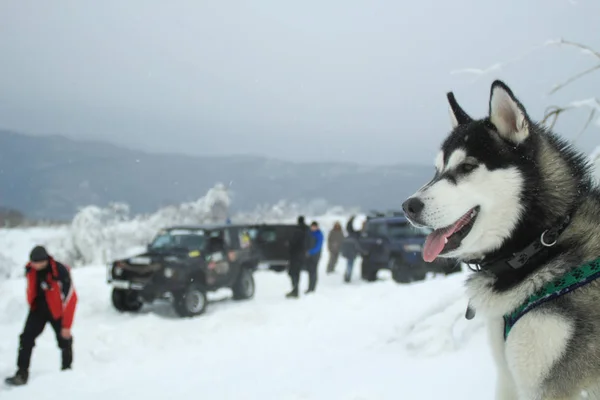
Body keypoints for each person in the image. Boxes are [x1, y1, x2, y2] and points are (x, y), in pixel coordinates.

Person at [5, 246, 78, 386]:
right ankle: (21, 373)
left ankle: (67, 374)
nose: (34, 265)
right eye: (32, 262)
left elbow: (71, 298)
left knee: (65, 340)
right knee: (26, 339)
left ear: (44, 261)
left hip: (57, 311)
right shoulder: (30, 269)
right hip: (37, 309)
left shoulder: (60, 271)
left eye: (37, 263)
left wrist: (67, 325)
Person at [286, 216, 310, 298]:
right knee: (296, 273)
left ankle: (295, 290)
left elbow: (293, 243)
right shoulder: (307, 231)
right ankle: (295, 290)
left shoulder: (298, 231)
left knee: (293, 273)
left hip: (295, 255)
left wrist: (289, 246)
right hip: (302, 255)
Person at [341, 216, 367, 283]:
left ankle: (347, 275)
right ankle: (348, 276)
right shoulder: (357, 236)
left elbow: (348, 227)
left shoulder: (350, 235)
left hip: (348, 251)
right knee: (350, 264)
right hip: (352, 251)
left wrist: (351, 220)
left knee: (349, 264)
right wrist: (363, 252)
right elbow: (358, 247)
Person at [305, 221, 324, 293]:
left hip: (315, 255)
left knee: (313, 272)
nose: (313, 228)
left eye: (314, 227)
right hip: (309, 255)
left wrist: (310, 252)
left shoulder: (319, 235)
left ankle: (312, 288)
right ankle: (310, 287)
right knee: (310, 272)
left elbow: (318, 247)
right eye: (312, 227)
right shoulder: (309, 233)